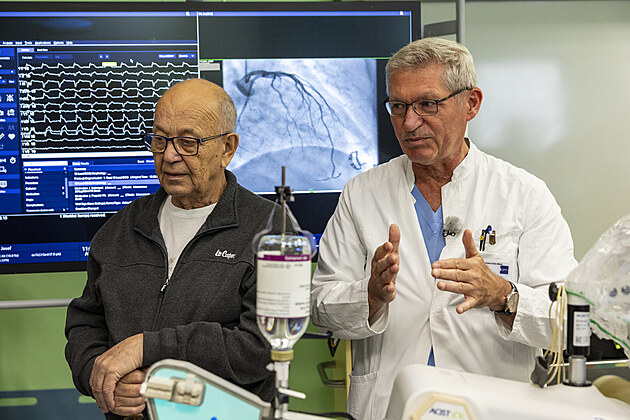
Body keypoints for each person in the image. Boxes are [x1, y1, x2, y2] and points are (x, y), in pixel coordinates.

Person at [310, 38, 577, 420]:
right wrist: (369, 295)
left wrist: (503, 295)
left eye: (427, 104)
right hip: (389, 405)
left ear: (471, 103)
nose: (409, 123)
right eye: (398, 106)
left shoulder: (524, 195)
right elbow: (321, 307)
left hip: (491, 406)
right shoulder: (362, 193)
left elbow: (566, 320)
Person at [65, 79, 280, 419]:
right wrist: (98, 375)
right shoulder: (121, 229)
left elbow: (262, 346)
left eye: (188, 142)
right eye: (160, 139)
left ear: (227, 148)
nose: (169, 156)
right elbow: (86, 323)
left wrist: (147, 348)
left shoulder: (270, 228)